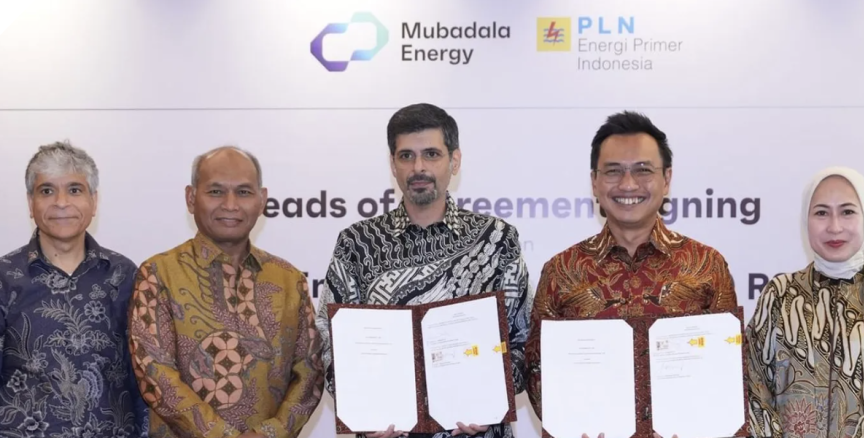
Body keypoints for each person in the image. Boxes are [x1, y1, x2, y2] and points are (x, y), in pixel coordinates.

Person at [315, 103, 532, 438]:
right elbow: (329, 341)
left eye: (431, 154)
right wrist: (361, 409)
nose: (418, 167)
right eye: (406, 156)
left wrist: (491, 400)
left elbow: (523, 340)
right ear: (393, 164)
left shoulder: (497, 239)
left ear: (454, 161)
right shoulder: (357, 243)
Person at [524, 111, 738, 438]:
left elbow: (729, 369)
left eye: (642, 170)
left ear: (666, 179)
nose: (628, 184)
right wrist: (572, 425)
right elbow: (536, 369)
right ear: (594, 181)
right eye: (613, 171)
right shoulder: (562, 270)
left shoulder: (706, 265)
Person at [127, 146, 324, 438]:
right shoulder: (158, 274)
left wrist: (269, 433)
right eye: (216, 192)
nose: (230, 205)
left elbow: (309, 372)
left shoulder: (288, 279)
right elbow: (155, 374)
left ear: (262, 200)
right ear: (191, 198)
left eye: (244, 192)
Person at [745, 167, 864, 438]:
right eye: (821, 213)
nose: (834, 227)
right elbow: (754, 386)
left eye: (847, 211)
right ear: (806, 219)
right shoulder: (779, 295)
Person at [0, 141, 149, 437]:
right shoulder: (5, 277)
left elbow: (143, 378)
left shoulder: (124, 275)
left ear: (94, 201)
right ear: (30, 203)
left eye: (74, 190)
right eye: (47, 191)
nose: (61, 202)